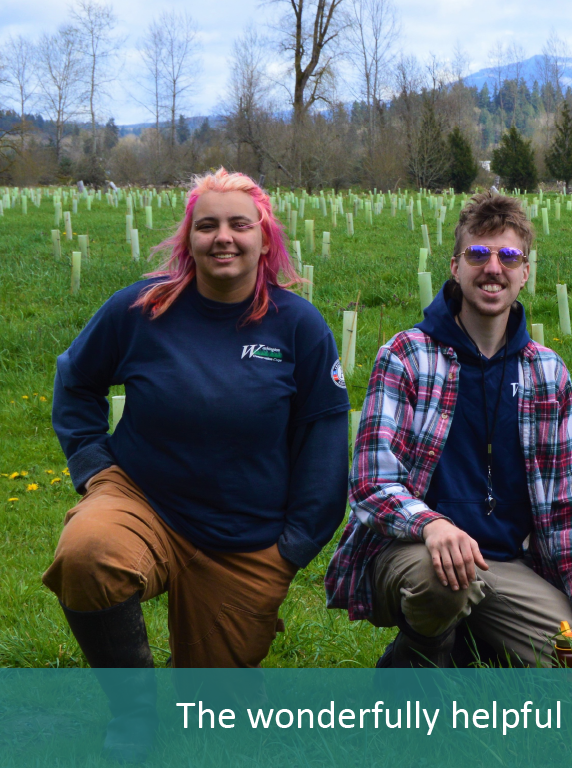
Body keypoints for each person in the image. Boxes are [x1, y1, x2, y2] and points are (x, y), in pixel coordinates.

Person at [45, 168, 350, 760]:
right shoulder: (141, 309)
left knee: (216, 726)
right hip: (143, 498)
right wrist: (93, 466)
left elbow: (322, 445)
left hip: (245, 538)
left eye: (240, 224)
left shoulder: (298, 327)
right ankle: (132, 713)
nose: (224, 237)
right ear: (188, 238)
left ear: (265, 239)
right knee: (89, 553)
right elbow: (75, 380)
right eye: (206, 225)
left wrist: (290, 550)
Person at [325, 191, 572, 670]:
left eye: (509, 256)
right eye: (478, 254)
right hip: (415, 552)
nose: (493, 267)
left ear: (525, 273)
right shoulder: (407, 356)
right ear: (455, 266)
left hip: (504, 563)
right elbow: (371, 482)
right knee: (442, 581)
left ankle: (478, 643)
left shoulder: (547, 373)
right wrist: (432, 524)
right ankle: (417, 661)